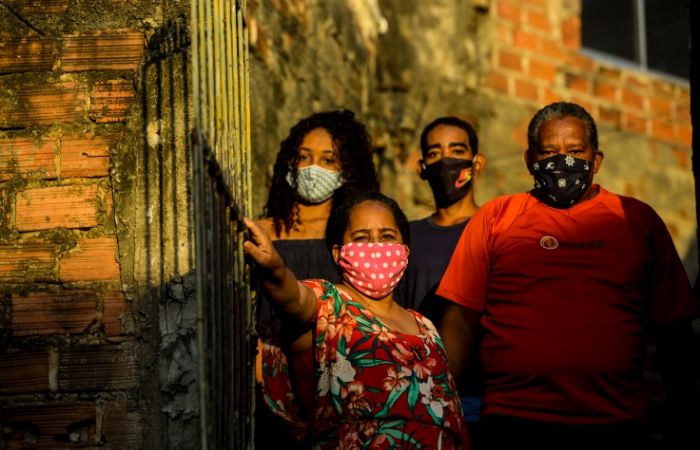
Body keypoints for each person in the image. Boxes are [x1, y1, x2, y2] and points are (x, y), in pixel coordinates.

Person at [437, 102, 700, 450]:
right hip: (514, 421)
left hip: (617, 424)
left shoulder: (637, 221)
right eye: (549, 152)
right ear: (530, 160)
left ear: (596, 160)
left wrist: (686, 417)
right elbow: (460, 320)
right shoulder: (496, 218)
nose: (562, 161)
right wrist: (440, 408)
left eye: (575, 151)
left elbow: (674, 329)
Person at [245, 191, 467, 449]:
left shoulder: (425, 327)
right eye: (362, 237)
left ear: (405, 250)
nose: (376, 247)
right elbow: (293, 298)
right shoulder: (327, 302)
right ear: (338, 253)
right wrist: (274, 268)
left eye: (387, 236)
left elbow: (453, 416)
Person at [255, 109, 379, 449]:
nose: (314, 169)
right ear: (289, 164)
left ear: (346, 170)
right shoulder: (261, 232)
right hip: (269, 376)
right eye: (305, 157)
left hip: (339, 371)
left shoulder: (352, 238)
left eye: (328, 160)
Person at [402, 116, 486, 444]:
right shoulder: (406, 236)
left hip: (488, 399)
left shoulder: (498, 229)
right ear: (422, 167)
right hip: (420, 394)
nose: (446, 160)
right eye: (435, 153)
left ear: (477, 163)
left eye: (457, 150)